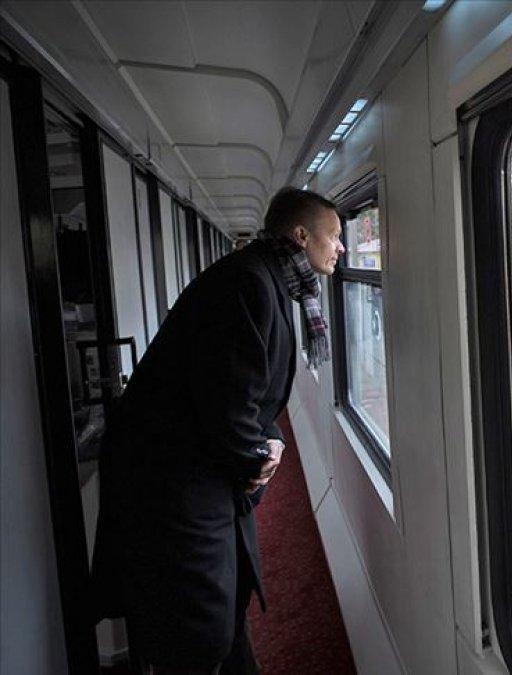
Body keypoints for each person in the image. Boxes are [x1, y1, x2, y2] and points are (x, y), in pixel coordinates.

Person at [90, 187, 344, 674]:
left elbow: (248, 393)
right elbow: (225, 399)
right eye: (333, 236)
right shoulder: (248, 284)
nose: (340, 247)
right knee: (199, 620)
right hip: (173, 479)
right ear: (300, 235)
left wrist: (269, 441)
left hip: (199, 466)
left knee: (225, 600)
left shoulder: (264, 278)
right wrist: (257, 460)